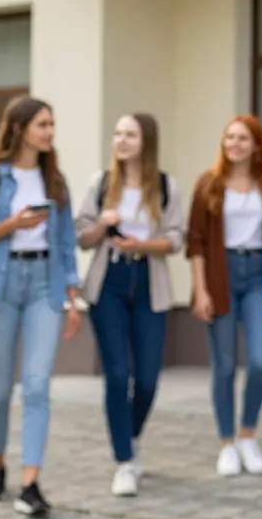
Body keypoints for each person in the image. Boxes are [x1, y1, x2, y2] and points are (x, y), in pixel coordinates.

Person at [0, 95, 83, 518]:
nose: (49, 132)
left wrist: (72, 297)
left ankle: (30, 485)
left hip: (44, 285)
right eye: (42, 124)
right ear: (19, 128)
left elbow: (66, 243)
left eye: (51, 124)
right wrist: (10, 226)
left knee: (37, 385)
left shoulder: (55, 181)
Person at [74, 112, 184, 496]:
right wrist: (102, 224)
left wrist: (143, 245)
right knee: (118, 375)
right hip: (109, 282)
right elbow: (82, 238)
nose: (121, 140)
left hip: (148, 281)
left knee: (148, 378)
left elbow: (175, 239)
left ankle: (130, 436)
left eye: (130, 135)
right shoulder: (101, 184)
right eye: (118, 134)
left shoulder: (166, 186)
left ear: (146, 142)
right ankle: (124, 461)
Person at [186, 115, 262, 477]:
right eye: (230, 137)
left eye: (243, 138)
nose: (235, 144)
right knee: (225, 365)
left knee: (260, 361)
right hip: (220, 274)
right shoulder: (208, 184)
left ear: (256, 145)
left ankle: (248, 435)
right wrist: (200, 290)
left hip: (259, 275)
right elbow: (195, 243)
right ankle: (227, 443)